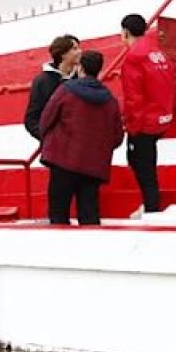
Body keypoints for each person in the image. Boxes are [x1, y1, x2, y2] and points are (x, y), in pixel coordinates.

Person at [39, 49, 124, 226]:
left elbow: (46, 120)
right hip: (93, 167)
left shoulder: (66, 90)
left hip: (63, 161)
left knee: (58, 212)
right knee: (89, 215)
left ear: (80, 68)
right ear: (99, 70)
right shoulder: (110, 100)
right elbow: (117, 137)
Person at [119, 14, 174, 214]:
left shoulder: (133, 58)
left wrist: (131, 128)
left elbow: (134, 98)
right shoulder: (158, 54)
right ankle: (151, 204)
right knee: (147, 162)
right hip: (161, 119)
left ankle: (152, 208)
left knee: (141, 166)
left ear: (125, 32)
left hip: (144, 124)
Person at [23, 34, 82, 141]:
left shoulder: (81, 78)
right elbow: (31, 119)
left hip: (78, 146)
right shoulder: (41, 81)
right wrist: (50, 139)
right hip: (55, 150)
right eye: (75, 49)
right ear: (63, 54)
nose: (80, 51)